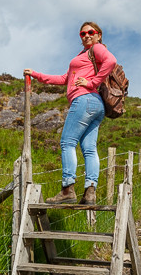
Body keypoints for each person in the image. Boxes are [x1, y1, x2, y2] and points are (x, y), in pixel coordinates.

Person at [24, 21, 117, 205]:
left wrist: (92, 83)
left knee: (67, 142)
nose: (87, 36)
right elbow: (64, 79)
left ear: (99, 34)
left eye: (91, 32)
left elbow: (111, 61)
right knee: (89, 149)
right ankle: (90, 193)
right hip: (96, 105)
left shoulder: (96, 49)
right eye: (82, 34)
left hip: (84, 100)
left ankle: (67, 189)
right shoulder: (84, 56)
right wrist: (36, 74)